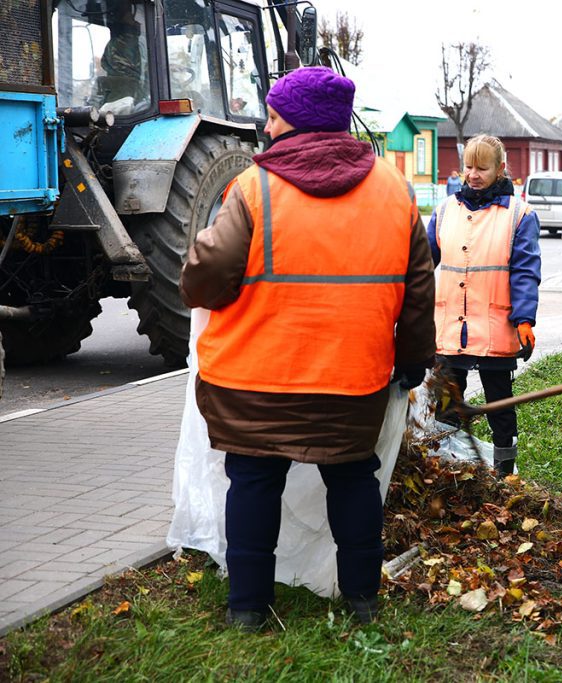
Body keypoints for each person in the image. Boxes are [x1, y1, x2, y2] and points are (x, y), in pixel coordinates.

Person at [179, 66, 436, 630]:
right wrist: (413, 361)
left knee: (251, 482)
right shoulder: (394, 190)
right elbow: (419, 291)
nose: (267, 129)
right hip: (351, 378)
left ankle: (247, 608)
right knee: (351, 479)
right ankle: (363, 601)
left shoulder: (251, 189)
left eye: (273, 116)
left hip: (253, 377)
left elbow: (205, 279)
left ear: (294, 121)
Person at [427, 135, 541, 476]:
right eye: (469, 167)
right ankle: (449, 467)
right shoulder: (446, 210)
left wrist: (524, 320)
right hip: (450, 327)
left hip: (494, 326)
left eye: (482, 168)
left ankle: (505, 471)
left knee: (499, 405)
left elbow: (525, 272)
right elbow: (420, 264)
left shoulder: (519, 216)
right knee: (447, 402)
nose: (473, 175)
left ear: (501, 169)